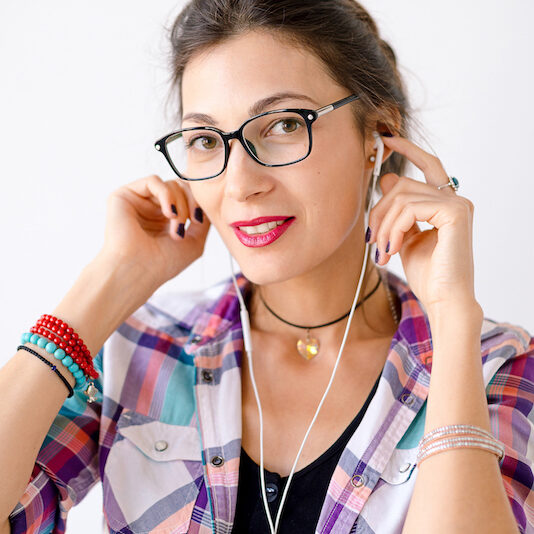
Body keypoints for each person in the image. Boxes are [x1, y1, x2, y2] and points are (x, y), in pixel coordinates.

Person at [1, 0, 533, 533]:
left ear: (376, 136)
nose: (240, 184)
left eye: (281, 124)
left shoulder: (493, 365)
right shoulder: (138, 355)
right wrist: (110, 282)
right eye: (206, 141)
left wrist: (452, 318)